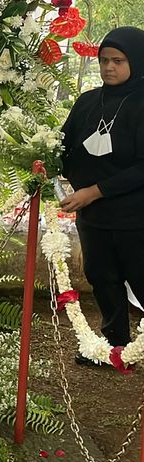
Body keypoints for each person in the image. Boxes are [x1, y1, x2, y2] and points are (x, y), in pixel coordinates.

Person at [60, 26, 144, 364]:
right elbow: (63, 143)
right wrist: (43, 161)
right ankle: (114, 345)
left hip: (134, 215)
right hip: (93, 215)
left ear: (136, 61)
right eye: (104, 60)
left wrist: (94, 191)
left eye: (118, 61)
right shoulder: (88, 101)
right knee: (102, 278)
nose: (109, 67)